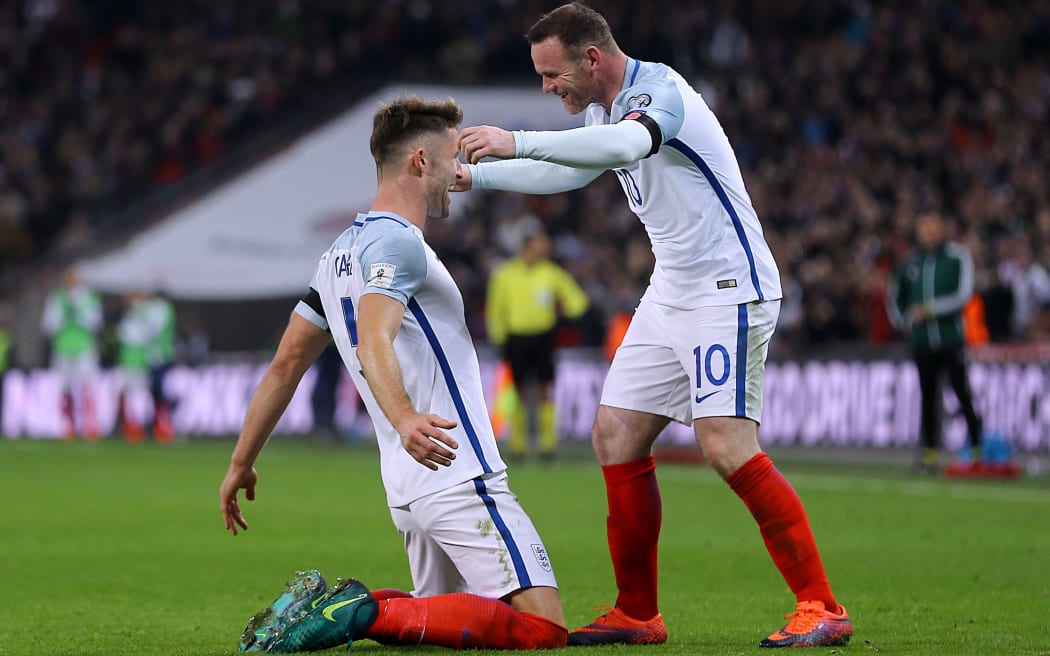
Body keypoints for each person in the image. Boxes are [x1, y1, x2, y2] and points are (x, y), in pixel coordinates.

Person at [456, 3, 852, 648]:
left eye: (553, 74)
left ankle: (822, 605)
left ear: (592, 58)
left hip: (728, 285)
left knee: (724, 444)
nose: (547, 87)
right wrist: (478, 176)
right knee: (615, 434)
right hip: (672, 288)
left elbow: (623, 146)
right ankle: (638, 613)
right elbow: (573, 170)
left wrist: (516, 137)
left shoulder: (660, 92)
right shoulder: (599, 112)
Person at [219, 96, 567, 652]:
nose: (462, 173)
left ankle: (340, 610)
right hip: (453, 465)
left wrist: (241, 461)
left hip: (408, 485)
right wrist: (405, 418)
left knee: (437, 624)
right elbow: (374, 332)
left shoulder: (337, 253)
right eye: (454, 157)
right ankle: (353, 612)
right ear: (420, 163)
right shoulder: (398, 242)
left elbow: (286, 365)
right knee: (543, 631)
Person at [887, 210, 983, 472]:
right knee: (928, 397)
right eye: (924, 228)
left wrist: (929, 310)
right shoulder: (910, 263)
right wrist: (905, 320)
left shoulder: (957, 257)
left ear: (942, 229)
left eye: (933, 227)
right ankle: (929, 453)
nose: (929, 233)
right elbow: (895, 298)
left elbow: (964, 294)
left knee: (962, 392)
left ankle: (977, 449)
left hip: (951, 339)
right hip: (921, 342)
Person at [486, 228, 588, 462]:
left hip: (543, 337)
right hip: (515, 339)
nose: (544, 249)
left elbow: (578, 302)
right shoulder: (506, 273)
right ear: (527, 246)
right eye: (539, 244)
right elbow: (495, 308)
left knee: (544, 391)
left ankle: (547, 446)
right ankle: (518, 445)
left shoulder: (551, 273)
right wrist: (499, 337)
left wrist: (563, 312)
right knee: (517, 392)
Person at [40, 268, 103, 440]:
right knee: (64, 387)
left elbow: (96, 323)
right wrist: (64, 317)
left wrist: (78, 314)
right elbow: (48, 324)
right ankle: (68, 425)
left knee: (87, 385)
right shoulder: (58, 297)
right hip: (63, 347)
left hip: (84, 347)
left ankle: (90, 425)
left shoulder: (89, 298)